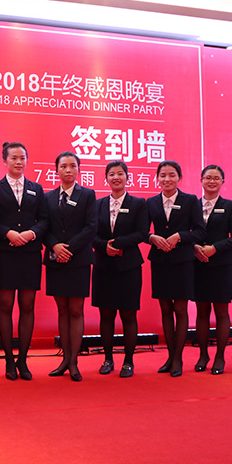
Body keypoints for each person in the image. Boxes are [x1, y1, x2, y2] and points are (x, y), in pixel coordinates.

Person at [0, 142, 48, 381]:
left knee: (27, 306)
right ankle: (8, 360)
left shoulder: (36, 188)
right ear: (4, 161)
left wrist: (31, 233)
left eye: (22, 158)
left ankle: (23, 359)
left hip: (30, 253)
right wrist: (7, 233)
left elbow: (44, 220)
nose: (18, 162)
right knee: (5, 305)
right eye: (14, 158)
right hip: (4, 253)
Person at [147, 160, 207, 377]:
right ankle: (170, 356)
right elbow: (142, 231)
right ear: (157, 178)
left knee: (180, 309)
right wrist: (151, 237)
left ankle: (178, 358)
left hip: (182, 261)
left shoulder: (190, 200)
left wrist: (180, 236)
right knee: (165, 310)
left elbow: (200, 232)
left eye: (172, 175)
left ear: (179, 178)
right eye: (163, 175)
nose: (167, 179)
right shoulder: (151, 202)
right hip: (160, 261)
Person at [92, 160, 148, 378]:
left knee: (128, 315)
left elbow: (142, 232)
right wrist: (104, 247)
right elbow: (91, 233)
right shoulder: (97, 204)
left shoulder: (138, 204)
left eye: (120, 174)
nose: (116, 177)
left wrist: (117, 245)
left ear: (127, 177)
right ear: (106, 178)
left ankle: (128, 362)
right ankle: (108, 359)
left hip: (129, 267)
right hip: (103, 266)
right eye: (112, 174)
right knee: (106, 315)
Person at [43, 151, 96, 382]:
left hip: (78, 260)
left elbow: (91, 227)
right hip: (55, 260)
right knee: (62, 311)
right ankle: (64, 359)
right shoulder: (47, 197)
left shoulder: (88, 195)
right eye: (63, 166)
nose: (68, 170)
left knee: (76, 310)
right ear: (56, 170)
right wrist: (55, 246)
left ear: (78, 169)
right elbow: (43, 227)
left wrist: (68, 249)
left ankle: (74, 362)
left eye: (72, 166)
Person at [192, 164, 232, 375]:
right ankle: (203, 354)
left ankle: (220, 356)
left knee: (221, 312)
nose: (212, 181)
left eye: (216, 178)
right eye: (208, 177)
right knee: (202, 311)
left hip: (222, 265)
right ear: (201, 180)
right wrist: (195, 247)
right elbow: (186, 232)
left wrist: (215, 248)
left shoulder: (230, 206)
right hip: (198, 264)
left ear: (223, 182)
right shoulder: (193, 205)